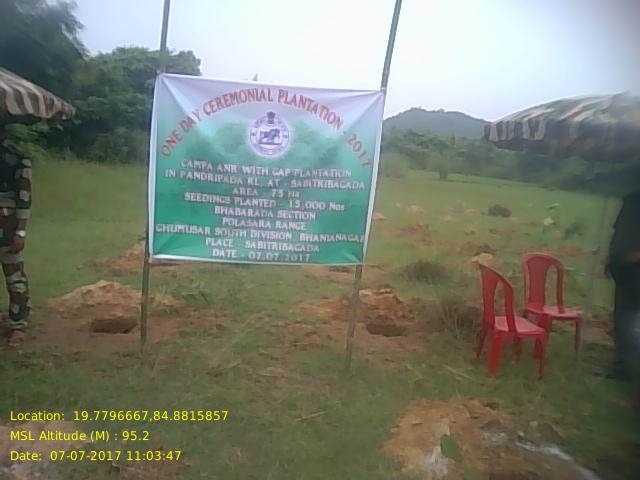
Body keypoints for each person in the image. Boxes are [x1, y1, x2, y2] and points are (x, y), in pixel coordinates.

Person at [606, 189, 640, 404]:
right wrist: (611, 260)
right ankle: (620, 367)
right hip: (624, 276)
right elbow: (618, 234)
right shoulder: (632, 201)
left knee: (631, 327)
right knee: (621, 322)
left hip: (635, 277)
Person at [0, 125, 32, 347]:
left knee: (14, 276)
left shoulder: (18, 158)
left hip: (6, 224)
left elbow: (24, 198)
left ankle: (18, 323)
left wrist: (20, 231)